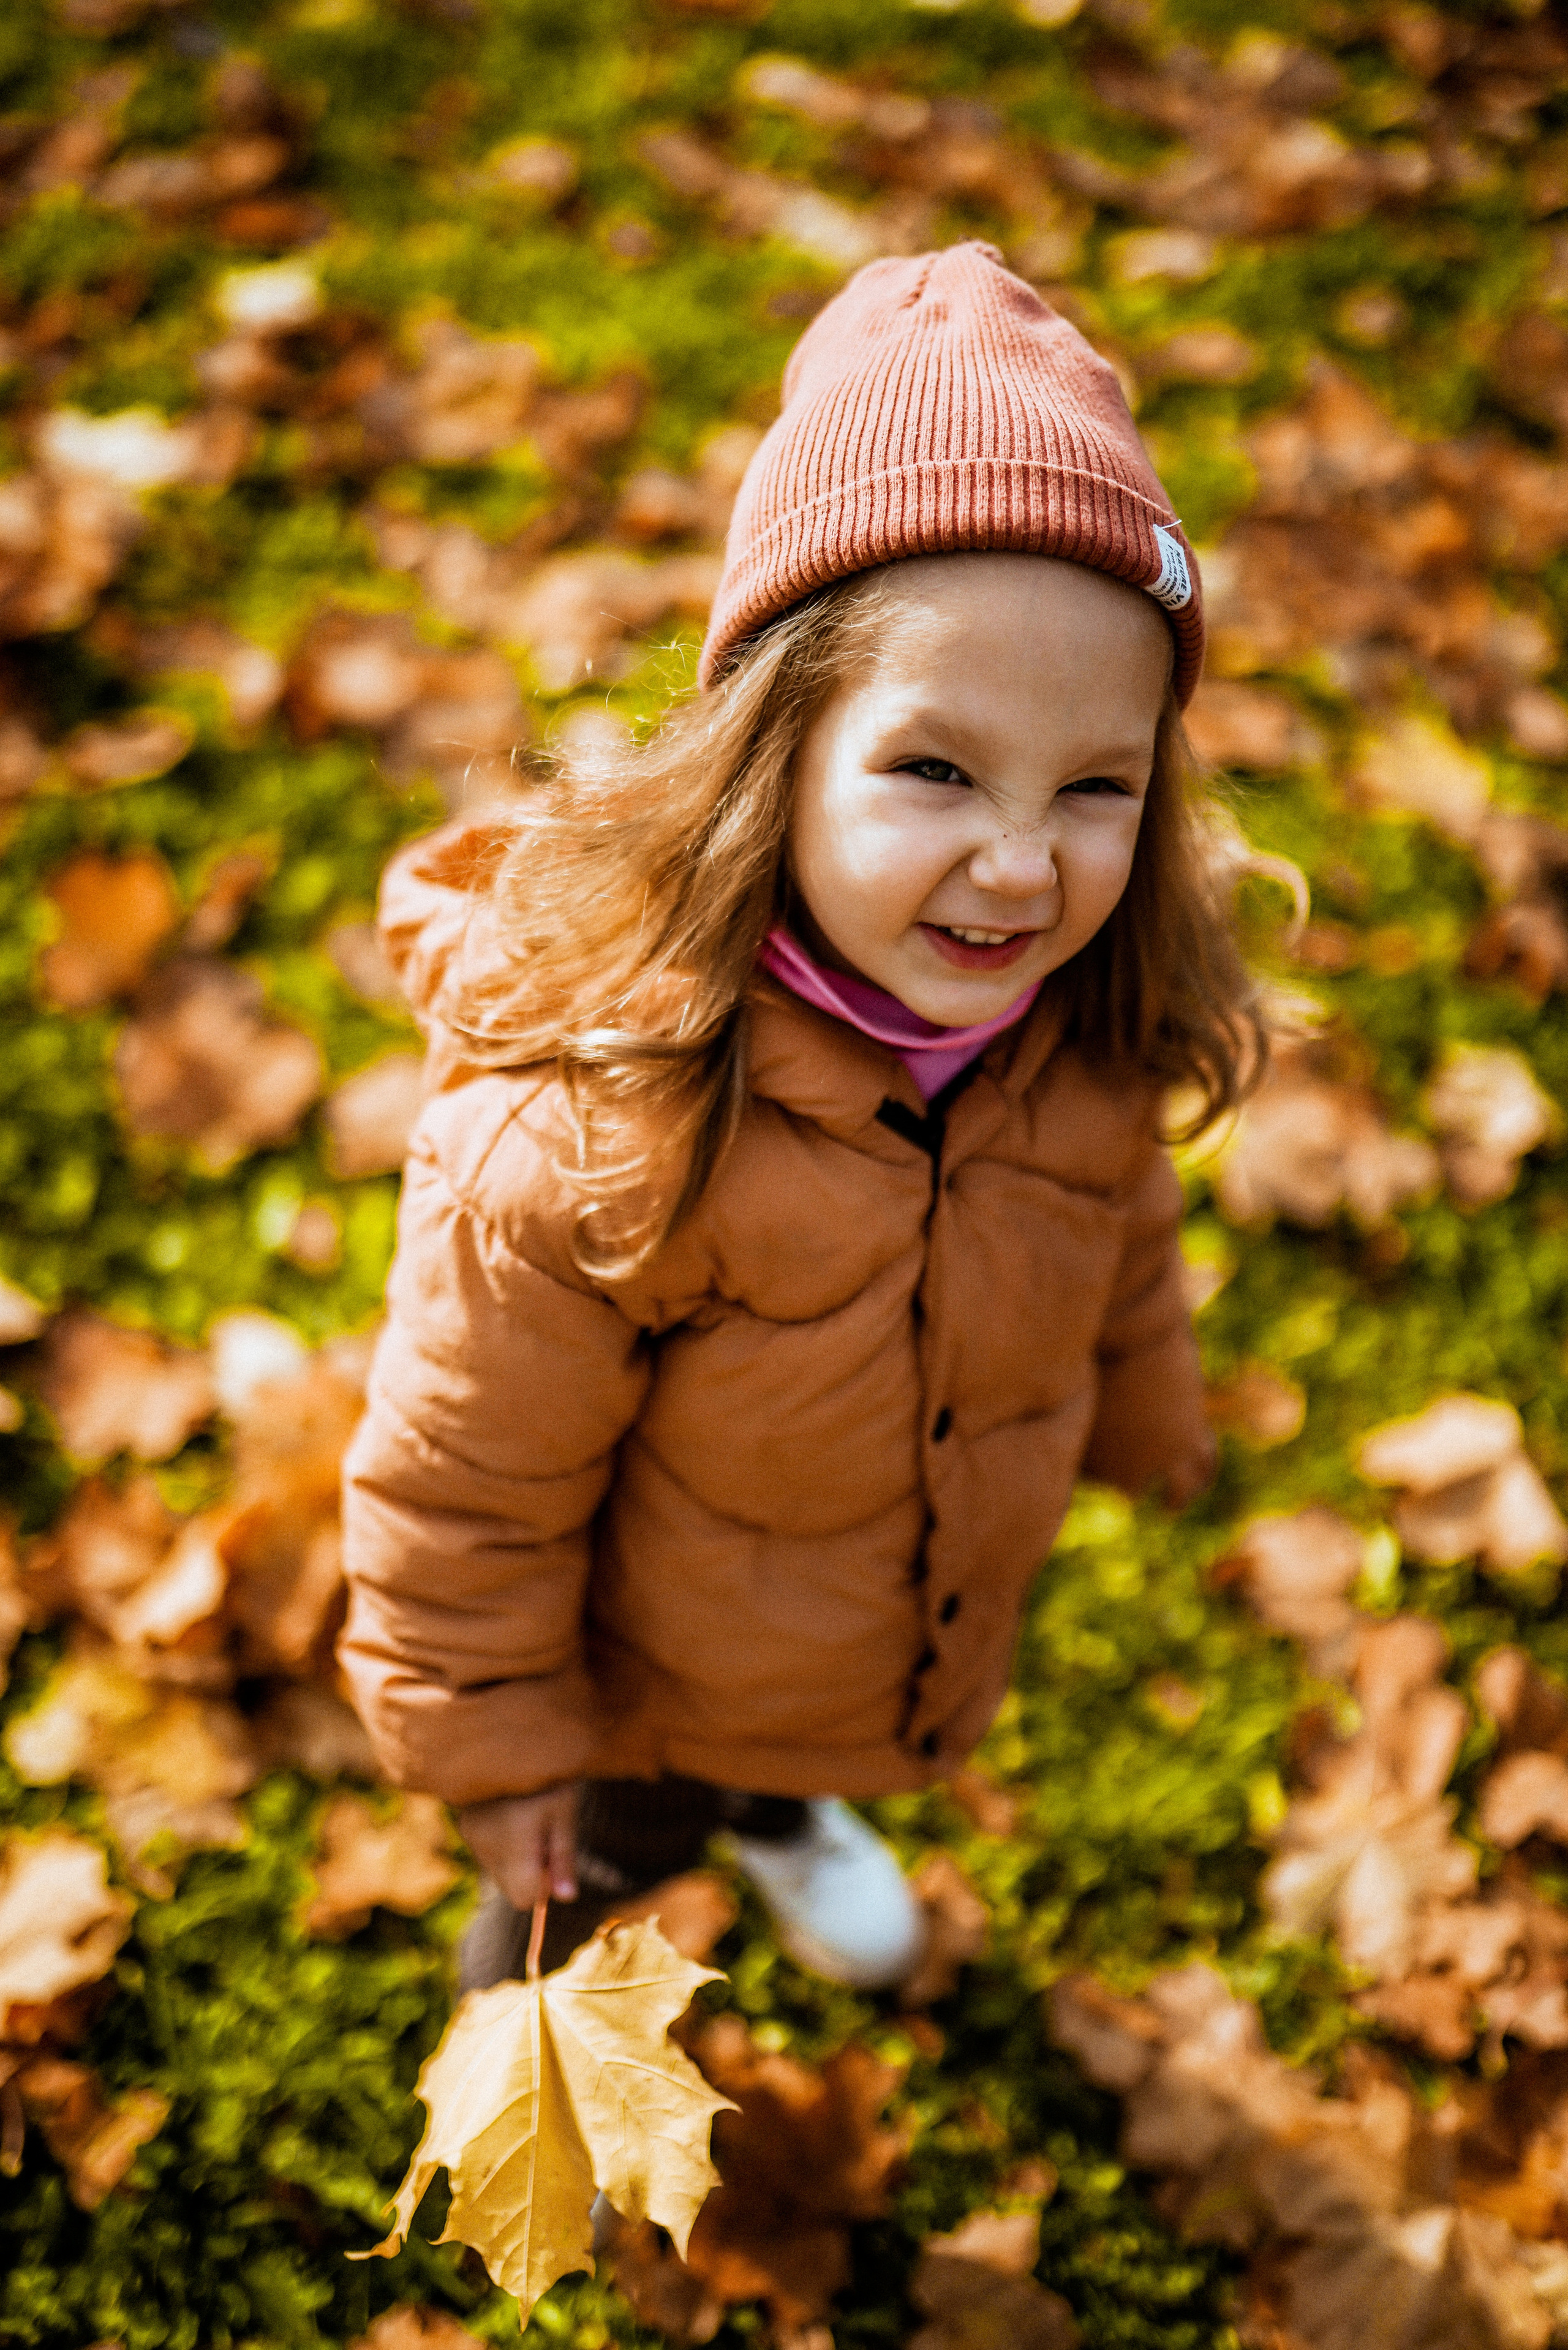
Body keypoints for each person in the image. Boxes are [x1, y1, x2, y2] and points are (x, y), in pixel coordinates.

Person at [338, 241, 1260, 1992]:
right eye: (934, 769)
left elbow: (1117, 1247)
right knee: (570, 1898)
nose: (1018, 861)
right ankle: (526, 2054)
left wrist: (1152, 1417)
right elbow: (468, 1475)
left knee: (779, 1745)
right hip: (624, 1689)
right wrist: (503, 1744)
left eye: (1095, 788)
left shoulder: (1089, 1036)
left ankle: (783, 1810)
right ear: (776, 748)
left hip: (851, 1631)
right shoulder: (607, 1113)